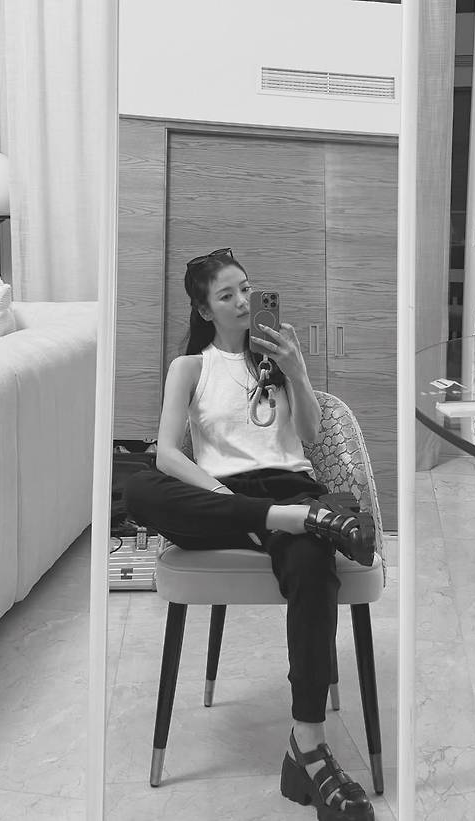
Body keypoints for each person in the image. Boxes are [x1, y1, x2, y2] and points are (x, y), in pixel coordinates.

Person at [125, 248, 376, 821]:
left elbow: (310, 435)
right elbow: (167, 455)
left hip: (292, 488)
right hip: (226, 498)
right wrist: (224, 499)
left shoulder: (276, 360)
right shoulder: (190, 368)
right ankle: (297, 519)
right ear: (204, 310)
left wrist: (298, 371)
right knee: (138, 488)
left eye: (246, 289)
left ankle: (307, 748)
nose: (242, 302)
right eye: (226, 295)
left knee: (312, 563)